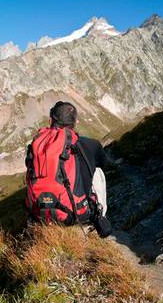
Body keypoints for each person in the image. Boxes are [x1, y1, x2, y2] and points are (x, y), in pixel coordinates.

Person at [25, 101, 112, 236]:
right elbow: (104, 163)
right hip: (74, 215)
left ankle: (41, 215)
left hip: (38, 213)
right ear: (75, 122)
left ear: (50, 120)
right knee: (98, 172)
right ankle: (99, 216)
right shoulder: (89, 144)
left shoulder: (37, 145)